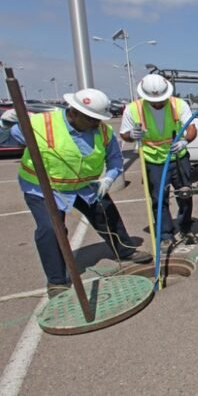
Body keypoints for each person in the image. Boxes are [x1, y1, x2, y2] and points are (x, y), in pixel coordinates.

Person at [11, 89, 152, 298]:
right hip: (45, 188)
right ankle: (57, 280)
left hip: (85, 185)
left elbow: (114, 159)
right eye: (91, 119)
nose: (96, 123)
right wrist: (7, 124)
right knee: (51, 230)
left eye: (98, 119)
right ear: (74, 112)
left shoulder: (103, 132)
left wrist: (109, 178)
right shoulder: (43, 124)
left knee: (107, 215)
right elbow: (12, 133)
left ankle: (125, 250)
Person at [120, 74, 198, 247]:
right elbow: (124, 134)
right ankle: (165, 234)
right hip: (152, 160)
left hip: (178, 157)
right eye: (154, 101)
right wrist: (132, 135)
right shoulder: (133, 109)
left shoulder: (179, 105)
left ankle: (185, 227)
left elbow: (192, 128)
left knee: (185, 194)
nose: (158, 103)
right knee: (158, 199)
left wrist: (185, 141)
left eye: (162, 99)